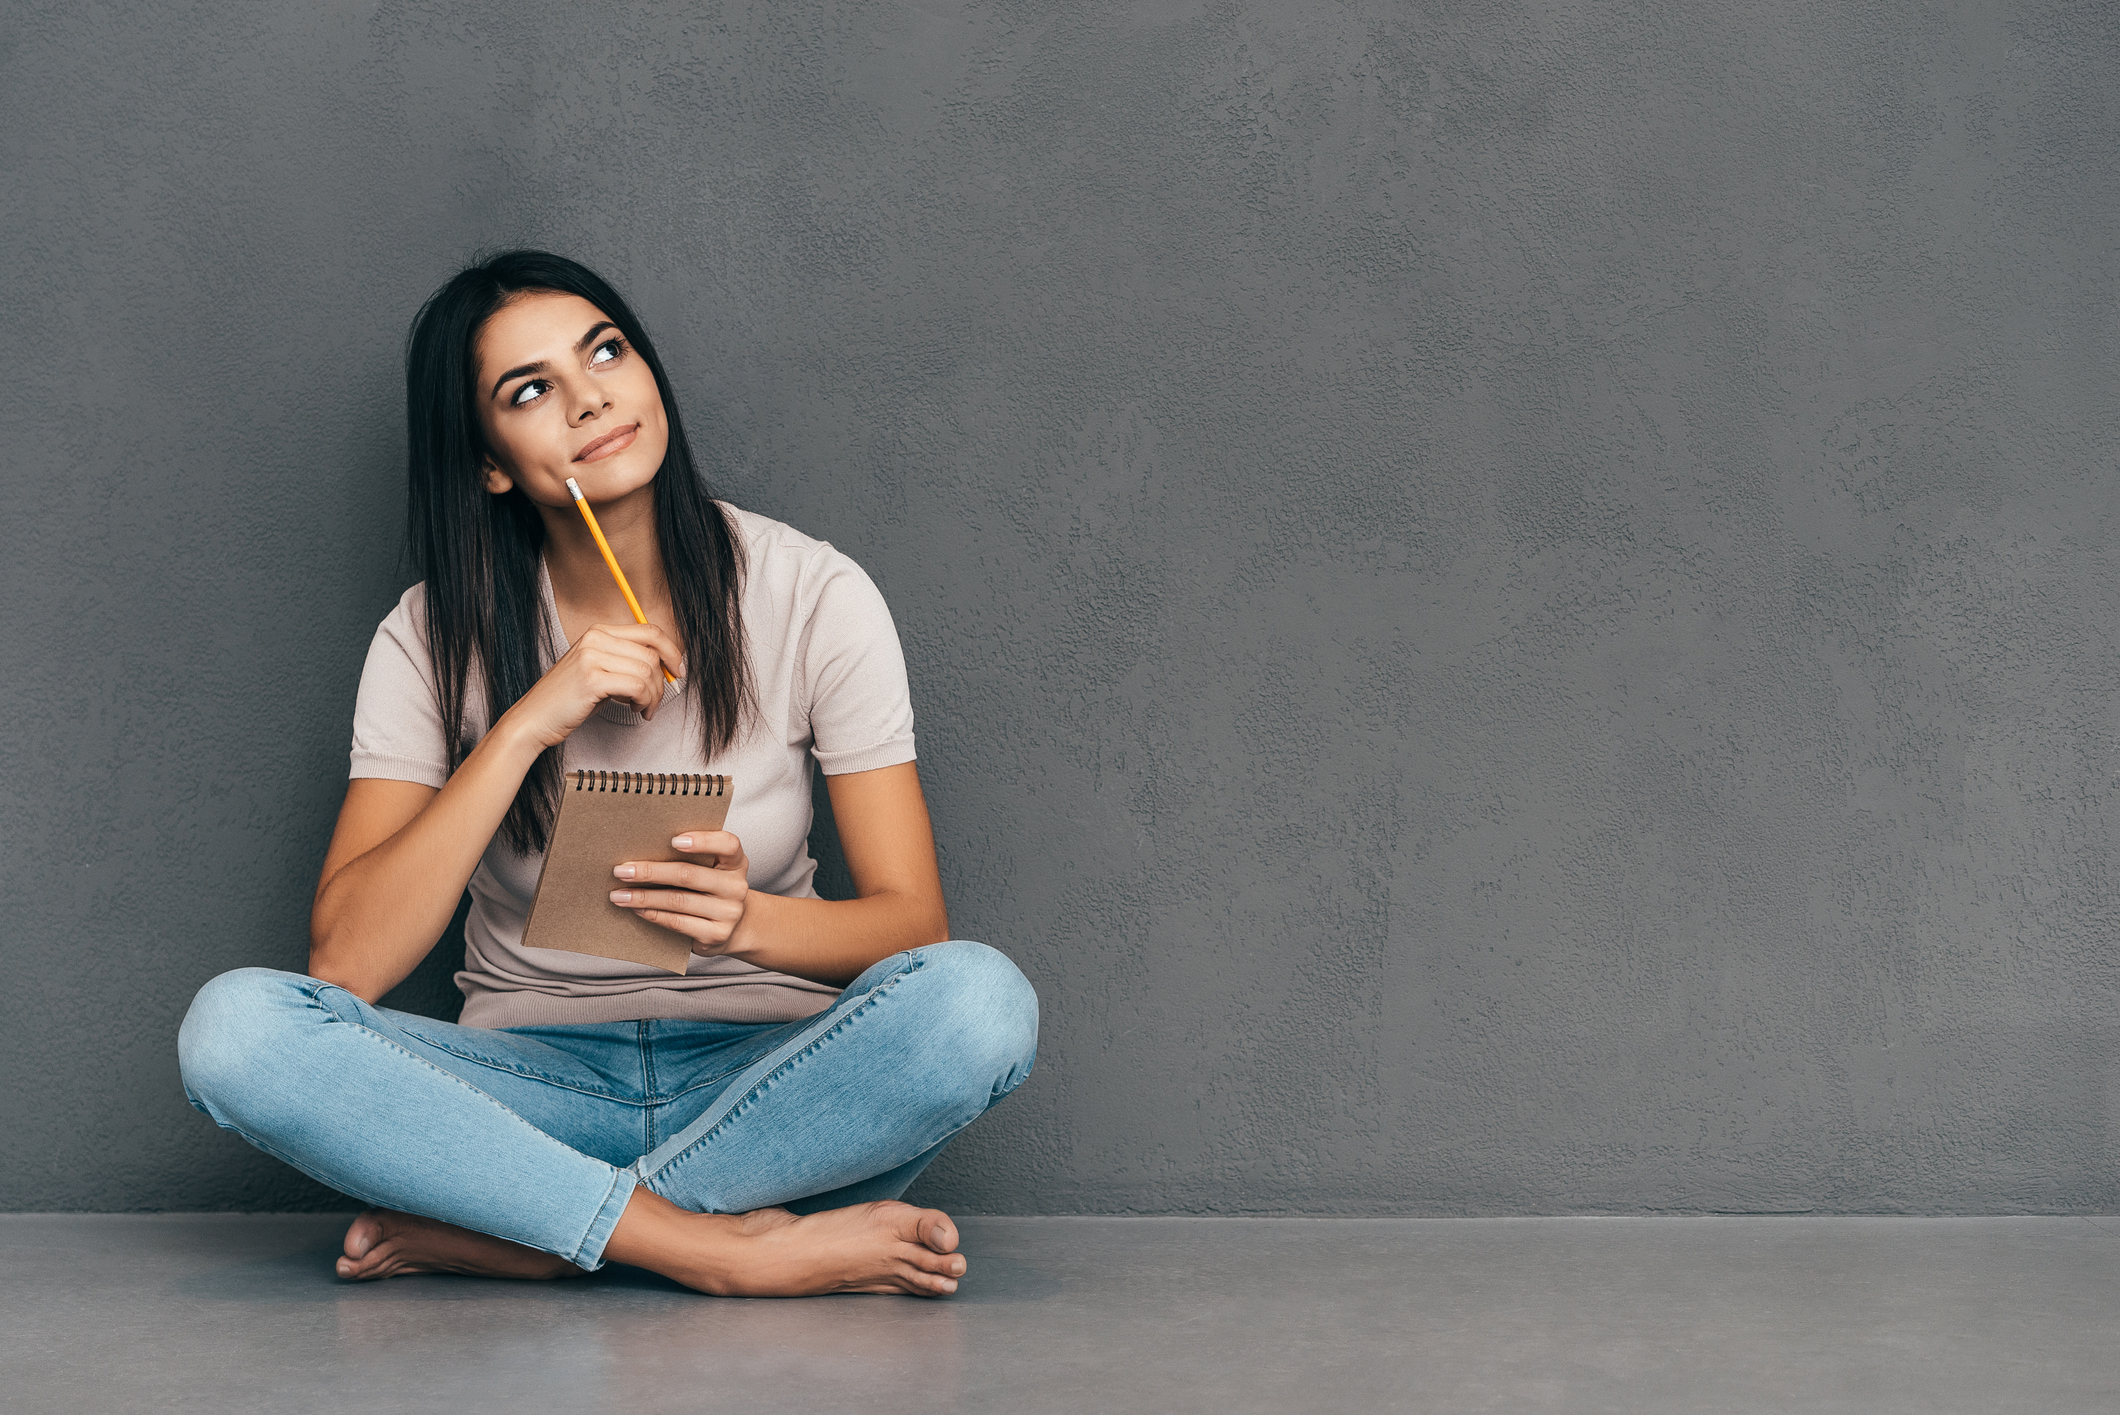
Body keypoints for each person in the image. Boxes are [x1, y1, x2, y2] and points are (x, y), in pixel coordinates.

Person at [177, 251, 1037, 1297]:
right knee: (234, 1029)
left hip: (770, 1080)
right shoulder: (426, 634)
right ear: (491, 460)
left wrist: (745, 922)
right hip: (529, 1081)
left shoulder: (813, 590)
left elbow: (913, 930)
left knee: (981, 1001)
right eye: (529, 390)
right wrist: (527, 723)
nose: (589, 397)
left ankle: (526, 1232)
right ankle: (715, 1248)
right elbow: (346, 962)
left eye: (605, 351)